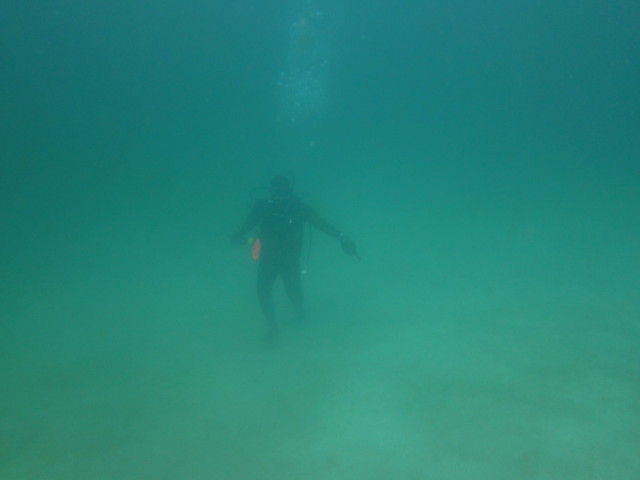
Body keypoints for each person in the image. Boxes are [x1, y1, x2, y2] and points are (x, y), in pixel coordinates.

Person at [230, 175, 358, 340]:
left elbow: (321, 224)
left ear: (289, 191)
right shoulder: (263, 207)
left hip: (288, 260)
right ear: (271, 192)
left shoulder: (297, 208)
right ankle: (273, 328)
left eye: (282, 192)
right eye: (276, 192)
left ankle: (299, 314)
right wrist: (238, 236)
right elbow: (247, 225)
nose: (279, 195)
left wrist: (341, 237)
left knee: (292, 292)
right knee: (263, 292)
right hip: (270, 259)